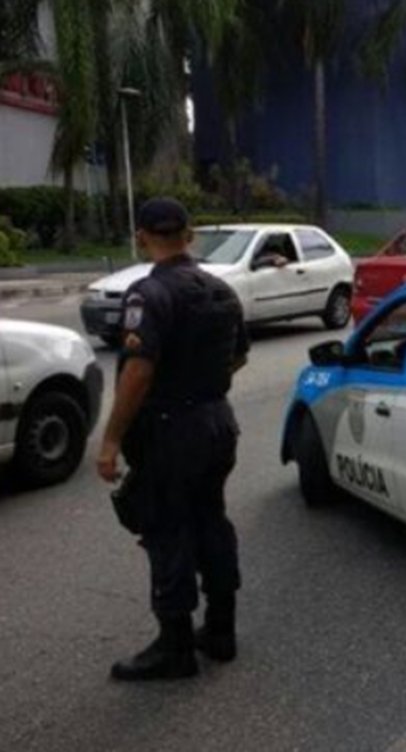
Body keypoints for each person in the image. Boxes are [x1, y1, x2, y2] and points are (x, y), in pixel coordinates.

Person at [97, 198, 249, 681]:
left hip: (170, 431)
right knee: (211, 519)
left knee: (167, 530)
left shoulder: (149, 293)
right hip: (216, 422)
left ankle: (175, 647)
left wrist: (110, 440)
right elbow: (238, 356)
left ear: (142, 236)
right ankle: (221, 630)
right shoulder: (221, 290)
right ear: (190, 234)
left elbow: (138, 372)